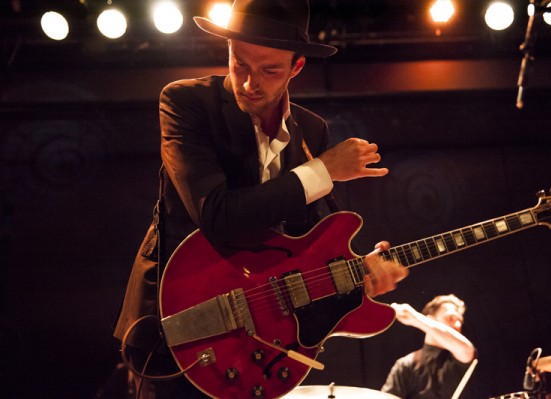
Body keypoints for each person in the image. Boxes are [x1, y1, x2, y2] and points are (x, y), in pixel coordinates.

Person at [112, 0, 409, 398]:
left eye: (270, 70)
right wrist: (323, 171)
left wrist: (357, 278)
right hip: (178, 317)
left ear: (296, 67)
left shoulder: (311, 129)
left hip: (253, 337)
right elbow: (215, 213)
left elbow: (300, 247)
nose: (250, 82)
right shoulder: (185, 102)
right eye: (240, 64)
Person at [381, 294, 477, 399]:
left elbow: (466, 350)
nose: (458, 325)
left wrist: (415, 318)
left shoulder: (459, 357)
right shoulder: (405, 365)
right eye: (450, 318)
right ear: (430, 320)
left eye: (460, 321)